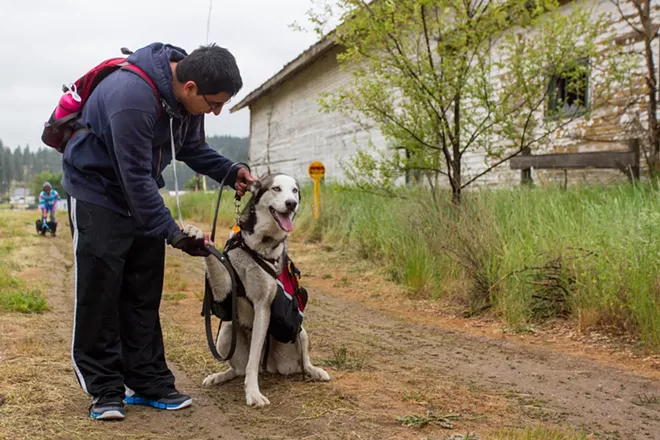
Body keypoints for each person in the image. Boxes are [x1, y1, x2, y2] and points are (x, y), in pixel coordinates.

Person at [61, 42, 255, 421]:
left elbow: (191, 148)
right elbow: (133, 177)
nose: (215, 112)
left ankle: (147, 381)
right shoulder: (131, 97)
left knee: (143, 290)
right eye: (214, 104)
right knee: (102, 291)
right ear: (190, 87)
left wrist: (230, 173)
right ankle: (104, 389)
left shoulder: (185, 100)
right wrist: (172, 231)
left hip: (140, 191)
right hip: (97, 192)